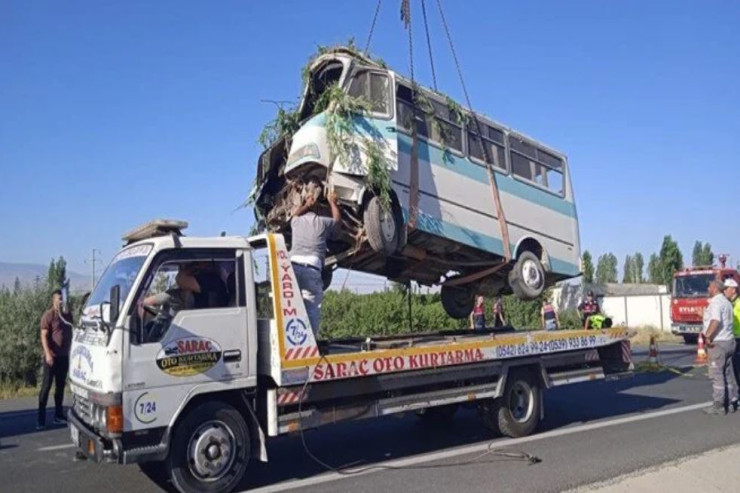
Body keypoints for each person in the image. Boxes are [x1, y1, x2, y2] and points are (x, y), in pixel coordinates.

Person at [289, 185, 341, 338]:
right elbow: (337, 223)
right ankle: (309, 341)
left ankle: (292, 339)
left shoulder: (296, 222)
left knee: (291, 307)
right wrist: (333, 202)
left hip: (292, 270)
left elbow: (294, 215)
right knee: (312, 310)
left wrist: (306, 204)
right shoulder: (322, 222)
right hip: (312, 270)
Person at [37, 289, 74, 430]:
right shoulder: (48, 315)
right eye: (59, 299)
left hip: (63, 356)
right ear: (54, 301)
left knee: (60, 386)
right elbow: (43, 336)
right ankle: (40, 419)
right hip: (51, 357)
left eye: (62, 299)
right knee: (46, 386)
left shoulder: (67, 315)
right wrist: (47, 354)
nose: (61, 301)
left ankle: (58, 415)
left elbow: (71, 329)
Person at [702, 280, 738, 415]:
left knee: (717, 374)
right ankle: (730, 402)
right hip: (729, 341)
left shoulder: (716, 302)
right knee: (727, 374)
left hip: (719, 343)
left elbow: (715, 320)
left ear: (715, 289)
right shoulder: (727, 302)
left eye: (709, 286)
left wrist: (708, 336)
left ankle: (719, 405)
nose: (707, 288)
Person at [722, 278, 740, 411]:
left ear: (733, 290)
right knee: (735, 369)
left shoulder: (738, 303)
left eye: (726, 288)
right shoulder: (730, 303)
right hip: (733, 338)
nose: (724, 291)